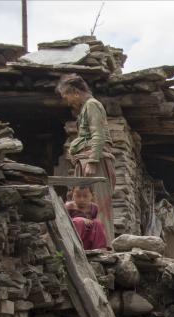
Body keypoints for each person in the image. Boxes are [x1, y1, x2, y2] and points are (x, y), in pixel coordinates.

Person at [56, 74, 116, 241]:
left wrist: (92, 161)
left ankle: (104, 244)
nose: (67, 101)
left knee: (98, 202)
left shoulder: (92, 105)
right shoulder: (85, 109)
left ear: (75, 92)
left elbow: (98, 134)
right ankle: (90, 243)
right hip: (86, 159)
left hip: (95, 161)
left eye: (66, 96)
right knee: (84, 205)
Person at [65, 186, 108, 250]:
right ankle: (76, 248)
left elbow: (92, 221)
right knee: (79, 221)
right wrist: (82, 219)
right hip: (73, 235)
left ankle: (100, 248)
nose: (82, 199)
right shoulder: (69, 206)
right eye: (78, 196)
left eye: (85, 196)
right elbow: (64, 221)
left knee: (97, 223)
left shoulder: (94, 207)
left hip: (87, 235)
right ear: (72, 195)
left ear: (92, 195)